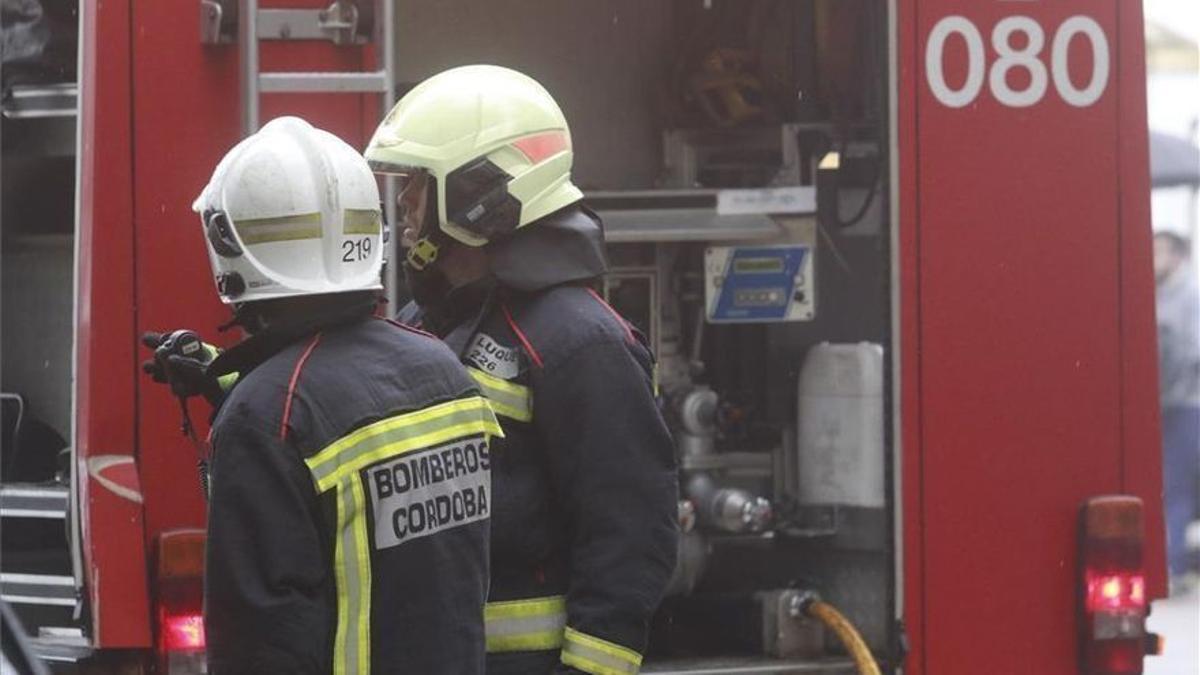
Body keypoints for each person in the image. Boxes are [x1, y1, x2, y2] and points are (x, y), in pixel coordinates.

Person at [144, 117, 499, 673]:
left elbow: (260, 641)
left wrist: (247, 398)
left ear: (230, 245)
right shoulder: (443, 371)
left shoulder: (267, 417)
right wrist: (230, 382)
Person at [364, 65, 679, 675]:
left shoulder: (582, 343)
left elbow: (631, 536)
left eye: (419, 185)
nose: (402, 205)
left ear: (478, 193)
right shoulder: (430, 318)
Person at [1153, 230, 1200, 591]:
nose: (1155, 258)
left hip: (1184, 404)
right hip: (1166, 404)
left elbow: (1192, 354)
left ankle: (1175, 564)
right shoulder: (1159, 295)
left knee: (1177, 485)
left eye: (1161, 251)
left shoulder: (1189, 297)